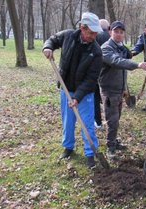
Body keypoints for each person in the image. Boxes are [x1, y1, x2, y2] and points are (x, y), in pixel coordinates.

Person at [42, 12, 103, 169]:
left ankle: (90, 153)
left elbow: (91, 79)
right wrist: (48, 47)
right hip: (66, 89)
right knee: (67, 122)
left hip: (85, 94)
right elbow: (52, 40)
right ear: (82, 28)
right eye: (91, 32)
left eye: (96, 33)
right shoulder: (68, 36)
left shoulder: (96, 51)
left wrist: (78, 97)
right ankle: (68, 147)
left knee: (87, 125)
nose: (94, 36)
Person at [98, 21, 146, 159]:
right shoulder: (106, 48)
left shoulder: (121, 47)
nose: (119, 34)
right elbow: (117, 61)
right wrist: (137, 65)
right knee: (112, 120)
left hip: (119, 89)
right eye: (116, 31)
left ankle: (113, 140)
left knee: (116, 118)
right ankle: (110, 148)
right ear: (110, 32)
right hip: (109, 90)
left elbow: (127, 55)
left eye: (121, 32)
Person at [94, 19, 111, 130]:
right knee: (108, 97)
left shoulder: (94, 36)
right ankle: (111, 122)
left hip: (95, 72)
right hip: (109, 73)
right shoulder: (111, 37)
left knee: (96, 97)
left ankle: (99, 122)